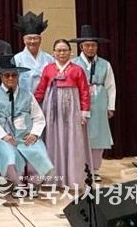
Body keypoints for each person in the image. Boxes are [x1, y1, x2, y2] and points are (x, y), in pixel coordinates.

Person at [0, 55, 54, 196]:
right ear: (1, 77)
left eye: (14, 75)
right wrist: (4, 136)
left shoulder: (28, 95)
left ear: (18, 76)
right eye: (7, 75)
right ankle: (17, 185)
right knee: (9, 156)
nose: (10, 78)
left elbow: (38, 117)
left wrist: (34, 134)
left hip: (26, 135)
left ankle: (33, 184)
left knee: (39, 153)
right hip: (5, 137)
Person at [34, 39, 92, 189]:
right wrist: (31, 105)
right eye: (58, 50)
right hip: (51, 110)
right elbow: (41, 89)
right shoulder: (48, 69)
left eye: (64, 50)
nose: (61, 53)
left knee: (72, 140)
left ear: (70, 52)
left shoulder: (77, 70)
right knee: (52, 140)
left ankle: (72, 177)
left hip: (72, 110)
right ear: (53, 53)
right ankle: (53, 177)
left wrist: (84, 113)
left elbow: (84, 92)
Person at [70, 25, 116, 182]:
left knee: (99, 137)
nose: (90, 48)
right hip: (80, 103)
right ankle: (82, 169)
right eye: (87, 45)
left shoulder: (105, 64)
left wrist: (110, 106)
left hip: (100, 102)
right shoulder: (74, 64)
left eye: (93, 45)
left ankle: (94, 169)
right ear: (81, 47)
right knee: (81, 137)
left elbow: (111, 86)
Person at [13, 12, 54, 94]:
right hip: (24, 98)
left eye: (35, 38)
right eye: (29, 38)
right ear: (24, 40)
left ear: (40, 40)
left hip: (45, 98)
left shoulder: (49, 59)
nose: (32, 41)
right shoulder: (17, 59)